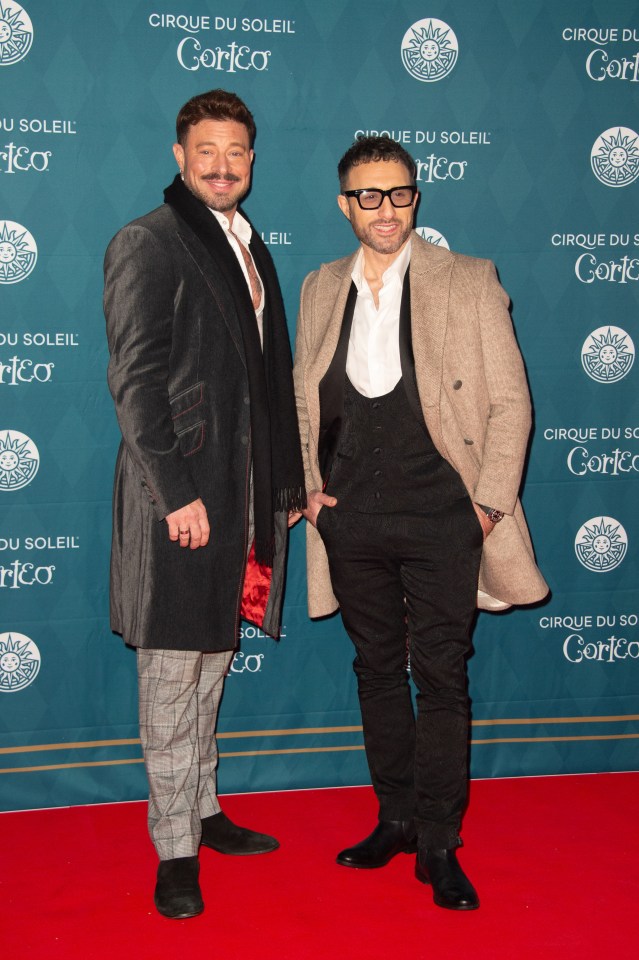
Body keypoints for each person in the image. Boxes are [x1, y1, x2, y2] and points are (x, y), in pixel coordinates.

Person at [293, 135, 548, 911]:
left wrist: (486, 505)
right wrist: (307, 490)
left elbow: (509, 401)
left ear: (415, 197)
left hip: (445, 516)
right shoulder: (316, 286)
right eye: (367, 196)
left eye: (397, 193)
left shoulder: (468, 280)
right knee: (374, 671)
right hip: (351, 519)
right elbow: (300, 401)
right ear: (345, 204)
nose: (384, 209)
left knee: (440, 677)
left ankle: (438, 840)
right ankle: (394, 818)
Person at [104, 89, 305, 919]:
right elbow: (136, 384)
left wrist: (287, 488)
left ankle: (205, 806)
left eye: (238, 152)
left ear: (251, 158)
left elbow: (270, 376)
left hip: (244, 495)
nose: (223, 166)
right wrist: (176, 494)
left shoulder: (249, 244)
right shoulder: (147, 242)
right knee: (171, 674)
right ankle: (173, 847)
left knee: (213, 663)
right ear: (179, 152)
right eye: (207, 151)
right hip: (178, 498)